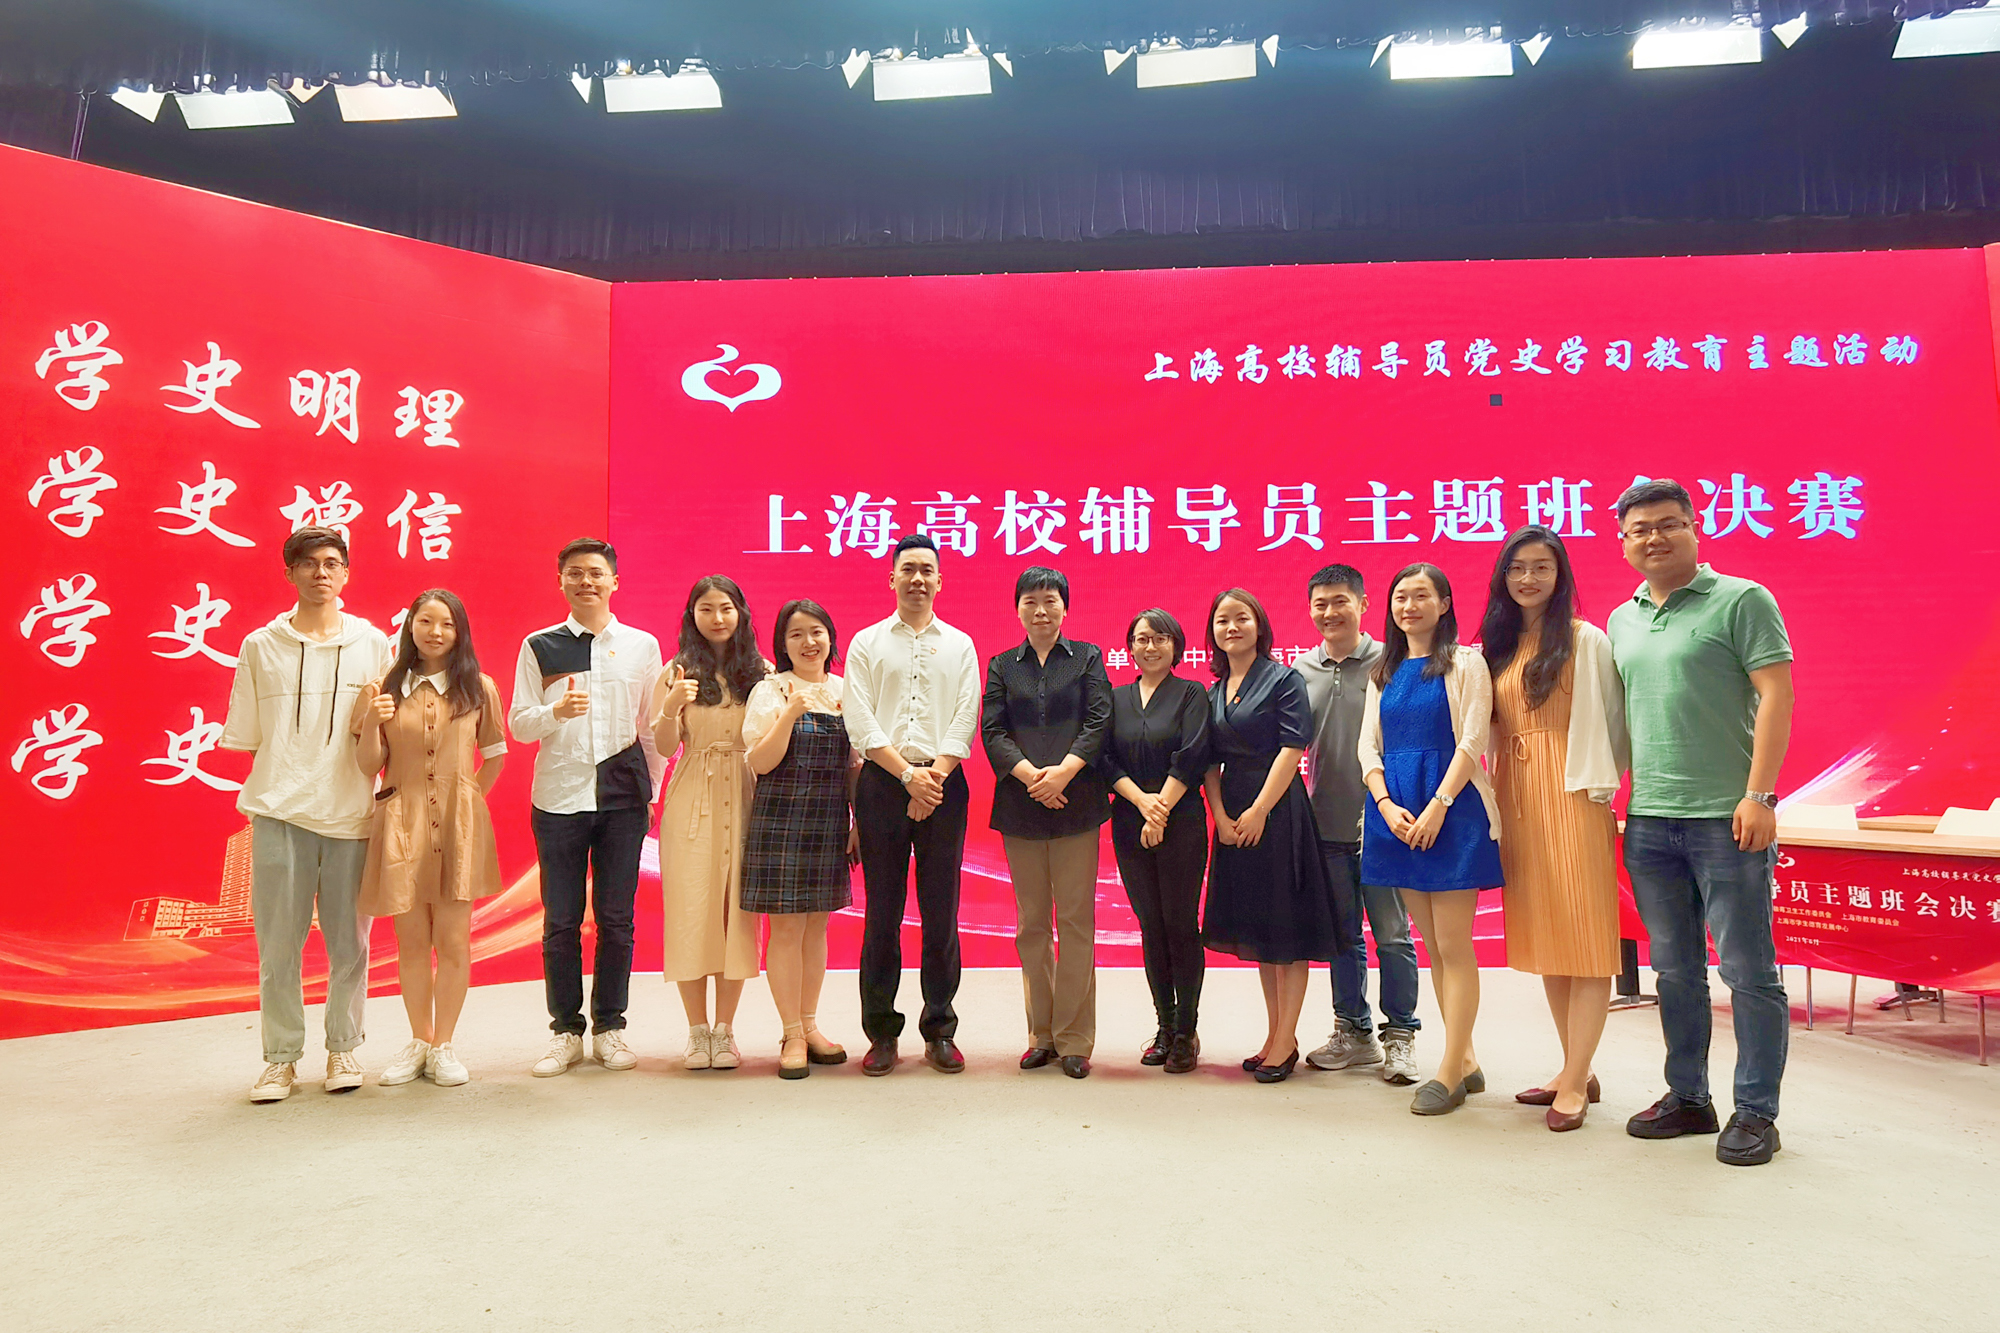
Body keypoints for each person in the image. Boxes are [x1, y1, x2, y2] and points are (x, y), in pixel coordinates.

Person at [1608, 478, 1794, 1167]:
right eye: (1639, 529)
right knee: (1675, 970)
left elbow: (1777, 694)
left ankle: (1756, 1112)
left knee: (1748, 970)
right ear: (1623, 541)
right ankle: (1689, 1097)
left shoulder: (1743, 599)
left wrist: (1760, 795)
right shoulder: (1622, 619)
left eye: (1668, 523)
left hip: (1726, 818)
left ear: (1694, 526)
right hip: (1649, 821)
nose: (1653, 537)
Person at [221, 526, 394, 1103]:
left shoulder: (373, 644)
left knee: (351, 946)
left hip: (350, 816)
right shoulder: (259, 646)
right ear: (289, 572)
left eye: (332, 563)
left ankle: (343, 1047)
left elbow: (383, 734)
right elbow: (249, 737)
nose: (321, 572)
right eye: (309, 563)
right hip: (279, 814)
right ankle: (280, 1060)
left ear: (346, 573)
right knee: (278, 947)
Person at [1479, 528, 1628, 1132]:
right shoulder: (1499, 646)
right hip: (1517, 795)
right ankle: (1575, 1068)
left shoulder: (1584, 638)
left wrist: (1603, 790)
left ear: (1560, 575)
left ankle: (1575, 1079)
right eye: (1517, 568)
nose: (1528, 579)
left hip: (1573, 793)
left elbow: (1613, 721)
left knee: (1586, 941)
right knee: (1549, 940)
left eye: (1541, 567)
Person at [509, 538, 665, 1078]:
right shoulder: (540, 645)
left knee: (617, 920)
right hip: (558, 799)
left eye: (596, 573)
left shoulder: (642, 646)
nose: (586, 582)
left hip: (622, 799)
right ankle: (565, 1032)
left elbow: (652, 729)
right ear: (561, 582)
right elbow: (519, 723)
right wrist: (554, 712)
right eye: (575, 573)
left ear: (614, 581)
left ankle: (610, 1027)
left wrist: (651, 793)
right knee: (561, 921)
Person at [1358, 562, 1504, 1116]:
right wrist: (1385, 804)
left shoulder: (1466, 662)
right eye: (1400, 596)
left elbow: (1472, 740)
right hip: (1395, 815)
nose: (1409, 606)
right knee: (1434, 947)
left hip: (1452, 811)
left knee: (1453, 944)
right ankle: (1464, 1058)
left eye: (1421, 596)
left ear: (1444, 604)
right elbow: (1367, 747)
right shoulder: (1384, 669)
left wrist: (1439, 805)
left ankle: (1449, 1071)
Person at [351, 589, 508, 1089]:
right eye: (426, 621)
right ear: (410, 627)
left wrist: (468, 801)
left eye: (447, 624)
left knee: (454, 940)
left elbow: (496, 754)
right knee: (413, 941)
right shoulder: (381, 689)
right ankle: (418, 1040)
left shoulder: (478, 688)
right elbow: (367, 765)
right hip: (402, 822)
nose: (436, 632)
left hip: (459, 826)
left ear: (460, 632)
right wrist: (373, 724)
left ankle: (444, 1046)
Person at [843, 533, 982, 1076]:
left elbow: (966, 714)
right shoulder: (866, 642)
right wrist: (907, 777)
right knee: (882, 913)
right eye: (908, 569)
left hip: (943, 785)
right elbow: (859, 718)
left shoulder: (961, 644)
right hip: (882, 784)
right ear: (892, 578)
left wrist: (932, 779)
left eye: (927, 570)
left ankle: (940, 1029)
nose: (918, 578)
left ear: (940, 581)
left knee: (941, 913)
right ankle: (881, 1032)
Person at [1200, 588, 1348, 1084]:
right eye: (1222, 620)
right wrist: (1221, 816)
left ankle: (1287, 1040)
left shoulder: (1283, 679)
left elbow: (1292, 747)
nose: (1232, 627)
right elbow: (1209, 762)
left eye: (1241, 618)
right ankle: (1273, 1035)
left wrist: (1260, 810)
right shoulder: (1214, 690)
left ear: (1259, 625)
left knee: (1287, 929)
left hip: (1279, 810)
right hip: (1234, 812)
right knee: (1260, 932)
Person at [981, 567, 1113, 1080]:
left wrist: (1062, 774)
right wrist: (1032, 777)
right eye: (1031, 601)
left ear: (1065, 607)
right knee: (1032, 924)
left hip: (1076, 802)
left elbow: (1099, 720)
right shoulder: (1001, 666)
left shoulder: (1087, 658)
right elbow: (992, 730)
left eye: (1050, 600)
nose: (1041, 610)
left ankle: (1075, 1039)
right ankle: (1041, 1035)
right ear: (1017, 608)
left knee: (1076, 921)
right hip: (1021, 806)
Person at [1296, 564, 1420, 1086]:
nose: (1330, 612)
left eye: (1340, 601)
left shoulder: (1393, 662)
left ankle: (1401, 1037)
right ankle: (1354, 1032)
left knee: (1393, 936)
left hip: (1386, 824)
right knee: (1342, 937)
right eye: (1320, 603)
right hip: (1325, 824)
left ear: (1365, 604)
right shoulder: (1301, 670)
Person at [653, 575, 768, 1071]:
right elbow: (663, 746)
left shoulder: (762, 672)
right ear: (691, 616)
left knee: (736, 914)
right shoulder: (676, 671)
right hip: (692, 796)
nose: (717, 618)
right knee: (691, 911)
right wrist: (670, 707)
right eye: (706, 609)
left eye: (725, 608)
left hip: (746, 794)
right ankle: (696, 1031)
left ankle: (726, 1030)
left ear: (740, 613)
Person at [742, 599, 859, 1079]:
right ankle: (790, 1031)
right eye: (796, 634)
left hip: (828, 822)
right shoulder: (770, 690)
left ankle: (811, 1025)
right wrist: (790, 712)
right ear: (782, 644)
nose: (809, 642)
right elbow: (760, 761)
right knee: (787, 930)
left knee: (817, 928)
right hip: (780, 821)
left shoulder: (846, 689)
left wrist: (858, 823)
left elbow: (855, 765)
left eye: (817, 632)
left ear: (830, 637)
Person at [1098, 608, 1211, 1074]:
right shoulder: (1115, 698)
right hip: (1129, 821)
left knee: (1180, 924)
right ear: (1130, 647)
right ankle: (1164, 1026)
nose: (1150, 646)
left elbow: (1192, 754)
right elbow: (1105, 759)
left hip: (1181, 821)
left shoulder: (1192, 693)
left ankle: (1186, 1031)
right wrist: (1143, 805)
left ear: (1176, 645)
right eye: (1142, 638)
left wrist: (1159, 809)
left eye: (1160, 638)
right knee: (1152, 926)